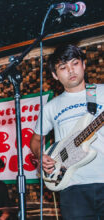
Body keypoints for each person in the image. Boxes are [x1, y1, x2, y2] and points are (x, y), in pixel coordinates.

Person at [30, 44, 104, 219]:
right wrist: (41, 155)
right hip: (71, 184)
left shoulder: (101, 92)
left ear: (83, 65)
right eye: (63, 68)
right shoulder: (51, 107)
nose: (71, 70)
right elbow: (35, 140)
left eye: (75, 63)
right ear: (55, 75)